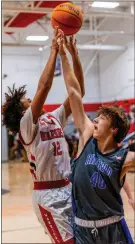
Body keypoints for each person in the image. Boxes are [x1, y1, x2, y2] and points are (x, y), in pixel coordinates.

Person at [2, 28, 84, 244]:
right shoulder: (26, 126)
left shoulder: (54, 117)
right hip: (49, 198)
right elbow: (44, 87)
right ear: (23, 112)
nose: (31, 98)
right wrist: (54, 51)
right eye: (27, 100)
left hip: (69, 188)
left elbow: (78, 93)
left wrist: (73, 57)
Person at [58, 32, 135, 244]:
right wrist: (66, 54)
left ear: (113, 129)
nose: (95, 120)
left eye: (102, 118)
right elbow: (74, 92)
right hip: (83, 229)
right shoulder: (86, 138)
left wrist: (131, 197)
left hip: (113, 229)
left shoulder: (123, 157)